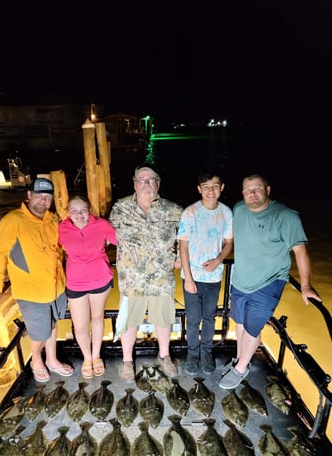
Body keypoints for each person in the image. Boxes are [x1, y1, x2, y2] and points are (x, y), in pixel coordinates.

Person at [219, 173, 322, 390]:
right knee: (239, 324)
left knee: (252, 329)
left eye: (257, 189)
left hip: (268, 283)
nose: (252, 194)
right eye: (248, 190)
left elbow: (300, 251)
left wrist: (305, 285)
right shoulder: (238, 209)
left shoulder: (286, 216)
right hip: (240, 280)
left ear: (268, 190)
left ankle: (240, 369)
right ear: (242, 193)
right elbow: (225, 236)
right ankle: (240, 358)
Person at [0, 178, 73, 383]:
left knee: (51, 325)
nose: (43, 200)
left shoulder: (53, 220)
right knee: (38, 332)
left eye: (48, 197)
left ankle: (51, 359)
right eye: (39, 195)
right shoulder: (12, 220)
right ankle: (36, 362)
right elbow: (0, 255)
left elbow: (63, 247)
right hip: (31, 290)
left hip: (56, 286)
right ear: (29, 195)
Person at [109, 165, 183, 381]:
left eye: (152, 180)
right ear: (135, 183)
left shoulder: (173, 209)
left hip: (161, 277)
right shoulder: (120, 208)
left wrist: (180, 256)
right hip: (132, 279)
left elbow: (186, 237)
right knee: (129, 321)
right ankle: (127, 361)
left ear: (158, 184)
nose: (147, 184)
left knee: (163, 320)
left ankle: (165, 355)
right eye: (142, 180)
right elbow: (106, 235)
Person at [177, 170, 233, 376]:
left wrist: (218, 260)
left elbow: (228, 242)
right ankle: (192, 354)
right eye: (206, 186)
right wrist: (188, 278)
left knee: (209, 317)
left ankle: (206, 352)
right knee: (192, 319)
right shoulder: (190, 212)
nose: (211, 190)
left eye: (215, 186)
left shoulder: (226, 213)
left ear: (222, 188)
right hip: (192, 277)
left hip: (214, 277)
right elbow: (182, 247)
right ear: (199, 189)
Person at [58, 195, 117, 379]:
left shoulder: (102, 225)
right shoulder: (61, 228)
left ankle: (97, 355)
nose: (79, 214)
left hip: (100, 279)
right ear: (68, 212)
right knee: (81, 325)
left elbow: (123, 244)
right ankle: (87, 358)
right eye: (74, 211)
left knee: (98, 318)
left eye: (83, 210)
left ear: (89, 209)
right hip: (75, 282)